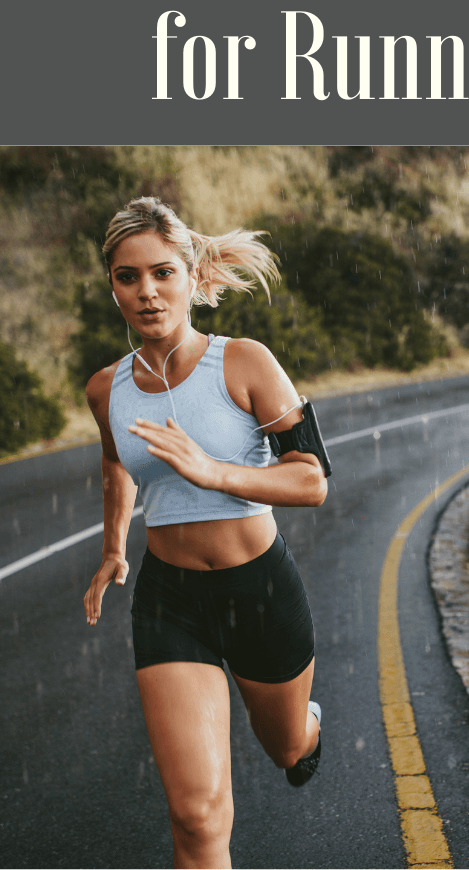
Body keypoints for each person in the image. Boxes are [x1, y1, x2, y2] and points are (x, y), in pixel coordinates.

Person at [83, 196, 327, 870]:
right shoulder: (106, 389)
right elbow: (114, 462)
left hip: (260, 591)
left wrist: (214, 472)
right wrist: (112, 549)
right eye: (127, 277)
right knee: (195, 815)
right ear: (113, 286)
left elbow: (311, 480)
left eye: (162, 272)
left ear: (192, 276)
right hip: (170, 603)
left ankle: (307, 730)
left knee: (283, 749)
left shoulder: (245, 363)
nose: (146, 292)